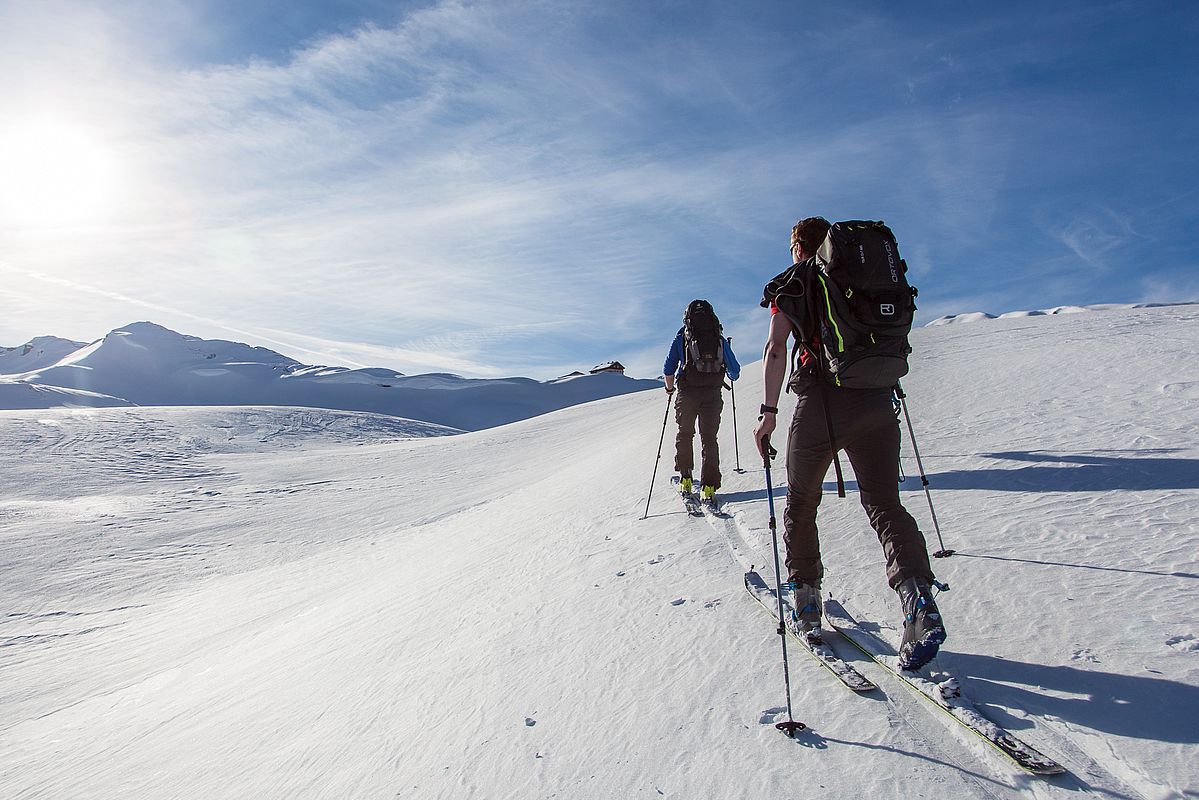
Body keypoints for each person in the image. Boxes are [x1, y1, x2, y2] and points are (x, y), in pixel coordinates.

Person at [752, 217, 946, 670]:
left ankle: (806, 599)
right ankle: (917, 597)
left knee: (801, 500)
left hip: (820, 404)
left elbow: (776, 348)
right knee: (884, 504)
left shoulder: (794, 281)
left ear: (798, 245)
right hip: (878, 402)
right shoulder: (869, 277)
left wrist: (768, 413)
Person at [663, 300, 740, 503]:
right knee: (709, 439)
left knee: (685, 434)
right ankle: (708, 487)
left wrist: (670, 389)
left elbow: (668, 369)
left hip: (687, 394)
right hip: (713, 395)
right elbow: (735, 372)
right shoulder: (719, 339)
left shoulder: (681, 338)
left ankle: (686, 478)